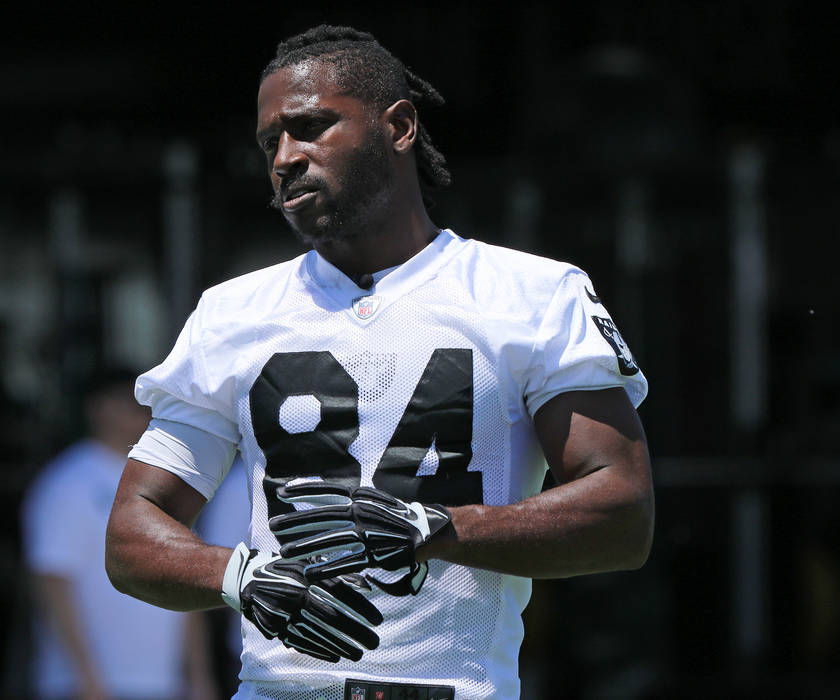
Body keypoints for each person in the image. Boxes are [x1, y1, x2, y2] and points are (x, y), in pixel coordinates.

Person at [105, 24, 653, 700]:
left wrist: (445, 528)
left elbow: (623, 511)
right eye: (268, 140)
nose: (284, 157)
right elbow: (132, 531)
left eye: (309, 127)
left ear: (398, 126)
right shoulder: (232, 314)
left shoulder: (533, 294)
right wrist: (237, 576)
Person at [22, 369, 219, 700]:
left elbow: (185, 579)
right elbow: (52, 582)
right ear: (98, 408)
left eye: (149, 402)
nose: (144, 411)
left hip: (163, 684)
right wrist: (85, 676)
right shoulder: (68, 482)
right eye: (132, 401)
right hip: (89, 686)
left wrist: (198, 675)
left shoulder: (167, 483)